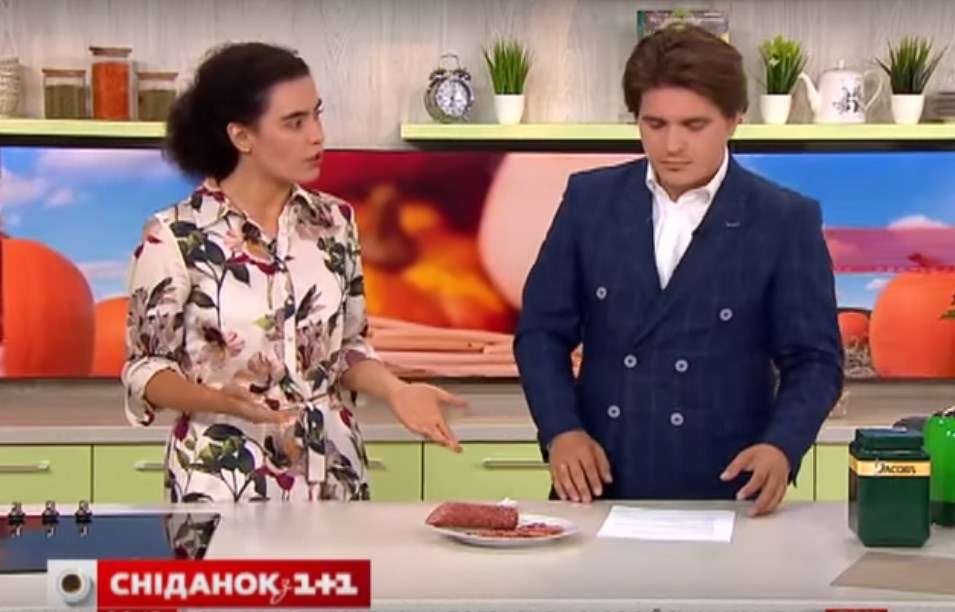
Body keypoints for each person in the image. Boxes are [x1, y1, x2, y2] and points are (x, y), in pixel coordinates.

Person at [514, 25, 843, 516]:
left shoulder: (784, 219)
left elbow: (814, 360)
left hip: (726, 488)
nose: (672, 145)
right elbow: (541, 332)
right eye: (655, 124)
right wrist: (561, 430)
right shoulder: (589, 200)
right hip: (598, 484)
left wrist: (782, 445)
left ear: (734, 119)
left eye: (694, 125)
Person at [122, 42, 465, 503]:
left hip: (333, 476)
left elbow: (348, 346)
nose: (317, 136)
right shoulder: (175, 236)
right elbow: (146, 368)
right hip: (222, 483)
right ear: (242, 136)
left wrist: (396, 391)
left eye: (317, 115)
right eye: (295, 122)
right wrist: (222, 401)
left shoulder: (336, 222)